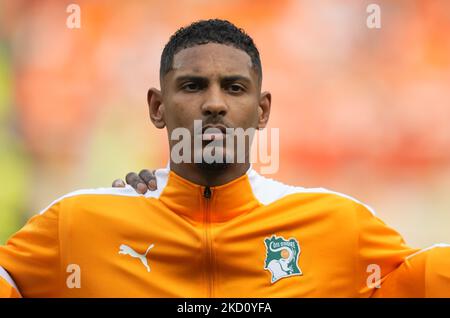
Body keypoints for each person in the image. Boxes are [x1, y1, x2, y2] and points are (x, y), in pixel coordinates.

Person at [0, 19, 449, 298]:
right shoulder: (80, 223)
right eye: (193, 86)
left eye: (234, 88)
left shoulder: (338, 225)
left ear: (262, 110)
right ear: (158, 107)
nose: (214, 104)